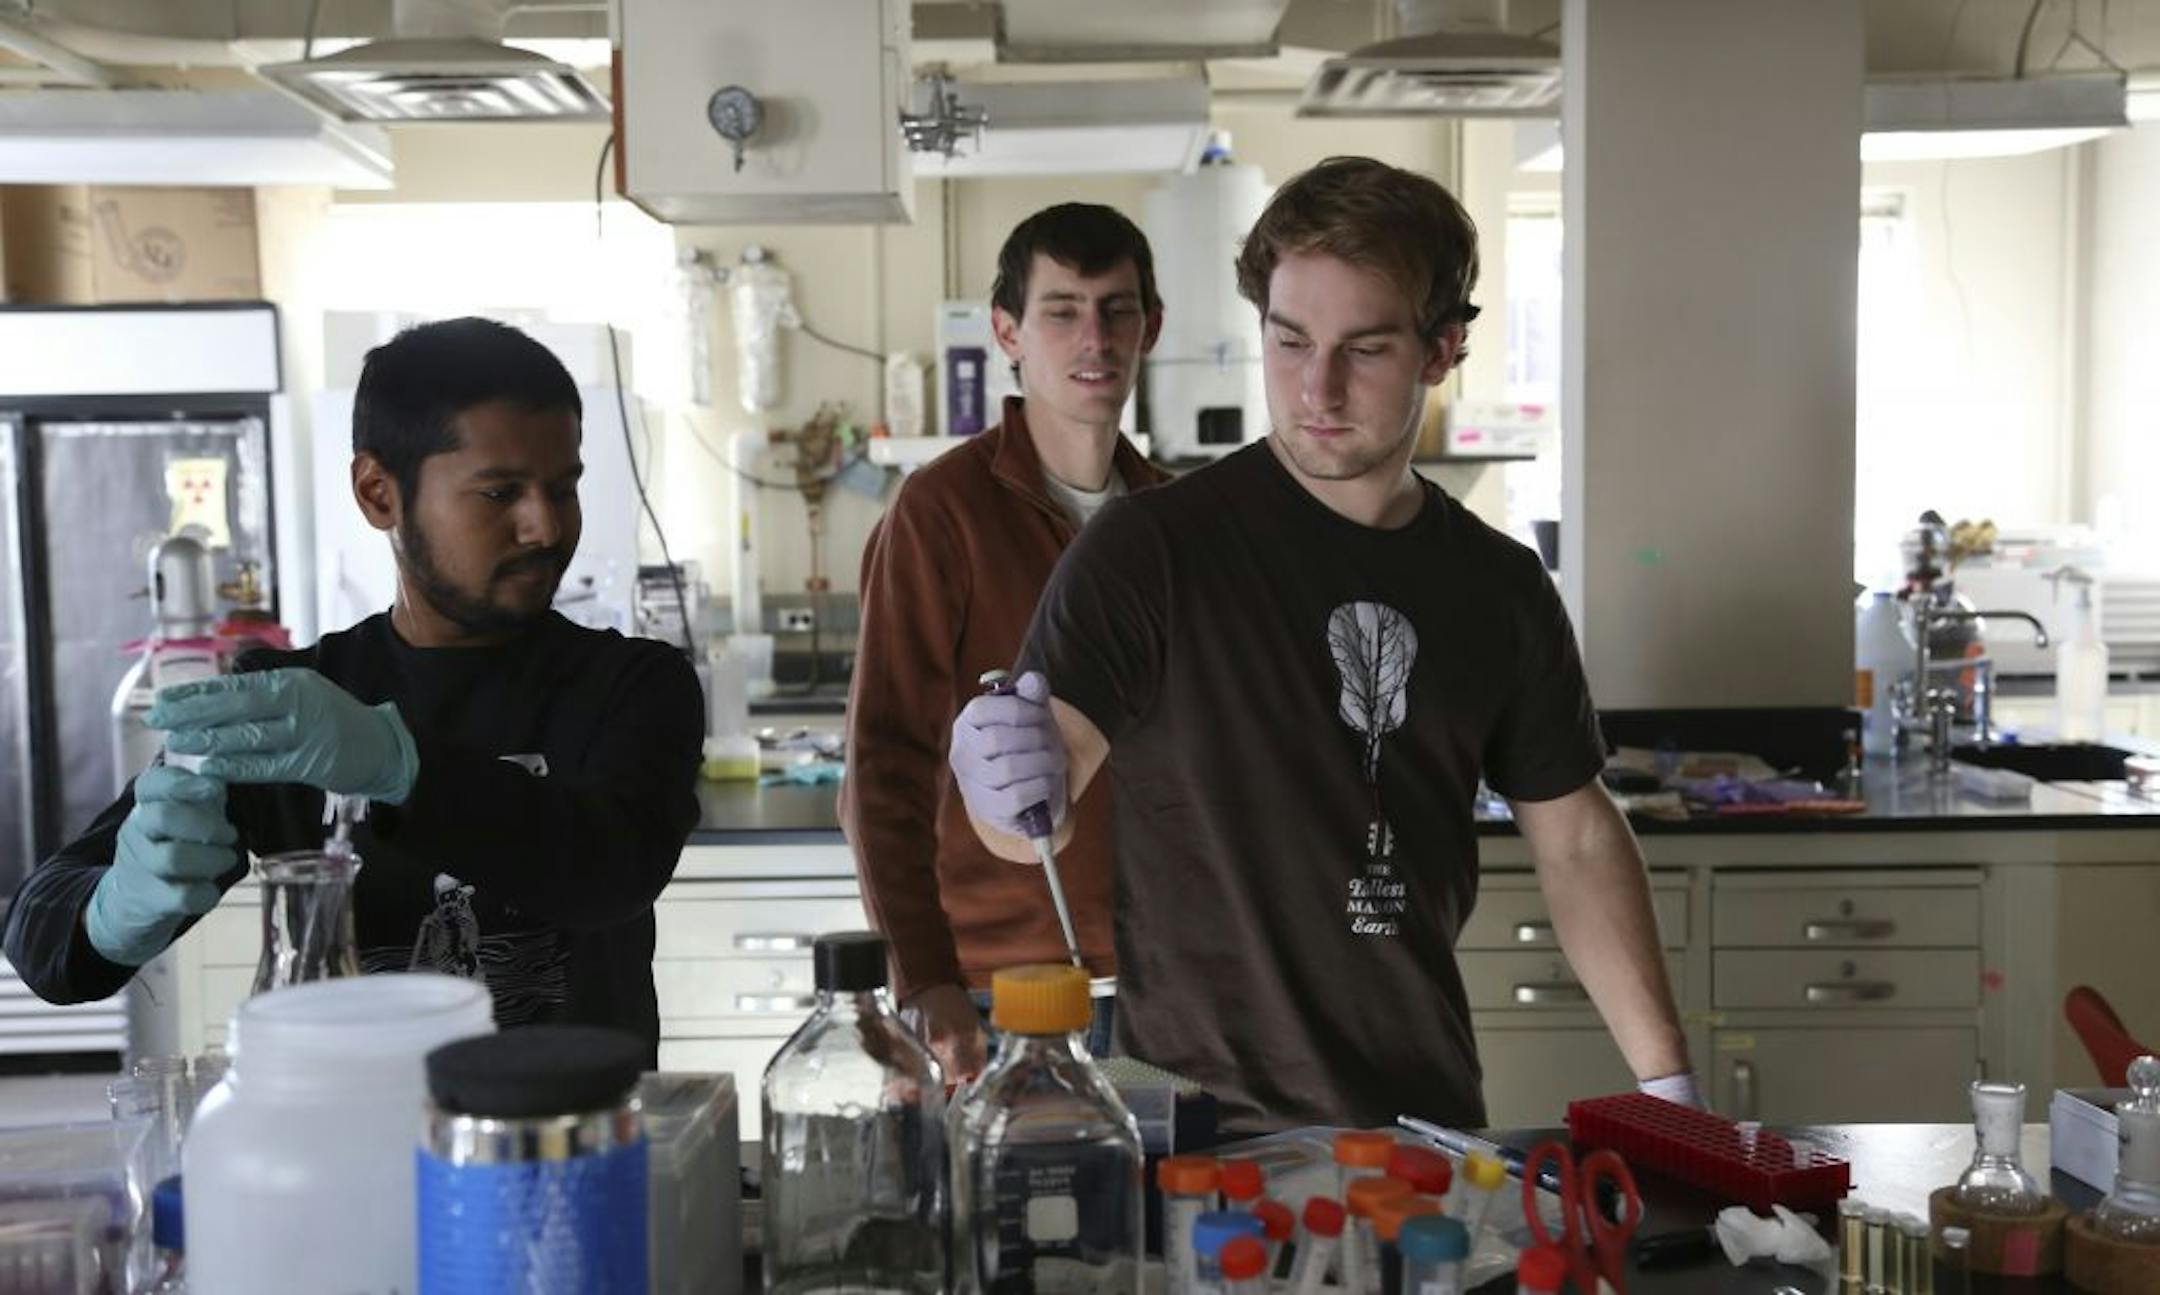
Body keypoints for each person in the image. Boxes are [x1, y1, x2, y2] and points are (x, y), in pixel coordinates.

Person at [946, 158, 1695, 1132]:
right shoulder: (1151, 549)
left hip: (1418, 1118)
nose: (1317, 387)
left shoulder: (1497, 586)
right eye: (1289, 340)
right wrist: (1000, 777)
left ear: (1442, 348)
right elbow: (1030, 816)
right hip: (1188, 1119)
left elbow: (1580, 837)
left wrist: (1670, 1088)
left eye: (1366, 348)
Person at [3, 318, 702, 1063]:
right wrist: (115, 910)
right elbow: (41, 935)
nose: (544, 526)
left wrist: (400, 767)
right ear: (378, 493)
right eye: (500, 492)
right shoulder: (292, 704)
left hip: (577, 1145)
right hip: (349, 1136)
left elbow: (611, 870)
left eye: (563, 488)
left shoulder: (633, 683)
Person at [842, 203, 1168, 1080]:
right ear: (1008, 332)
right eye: (1061, 310)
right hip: (998, 991)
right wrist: (923, 975)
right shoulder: (939, 512)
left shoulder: (1175, 521)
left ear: (1152, 326)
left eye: (1117, 308)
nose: (1092, 336)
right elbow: (884, 765)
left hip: (1161, 984)